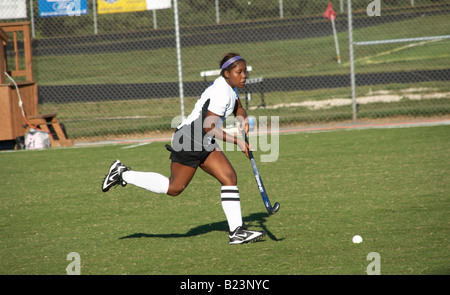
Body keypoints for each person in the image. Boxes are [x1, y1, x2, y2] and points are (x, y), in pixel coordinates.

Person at [102, 53, 266, 245]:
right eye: (239, 72)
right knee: (174, 188)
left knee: (229, 177)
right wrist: (237, 142)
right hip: (189, 138)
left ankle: (237, 232)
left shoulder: (229, 88)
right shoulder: (221, 92)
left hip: (203, 140)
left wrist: (243, 119)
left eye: (245, 71)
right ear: (227, 73)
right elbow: (209, 126)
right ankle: (122, 173)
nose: (244, 76)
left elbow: (238, 107)